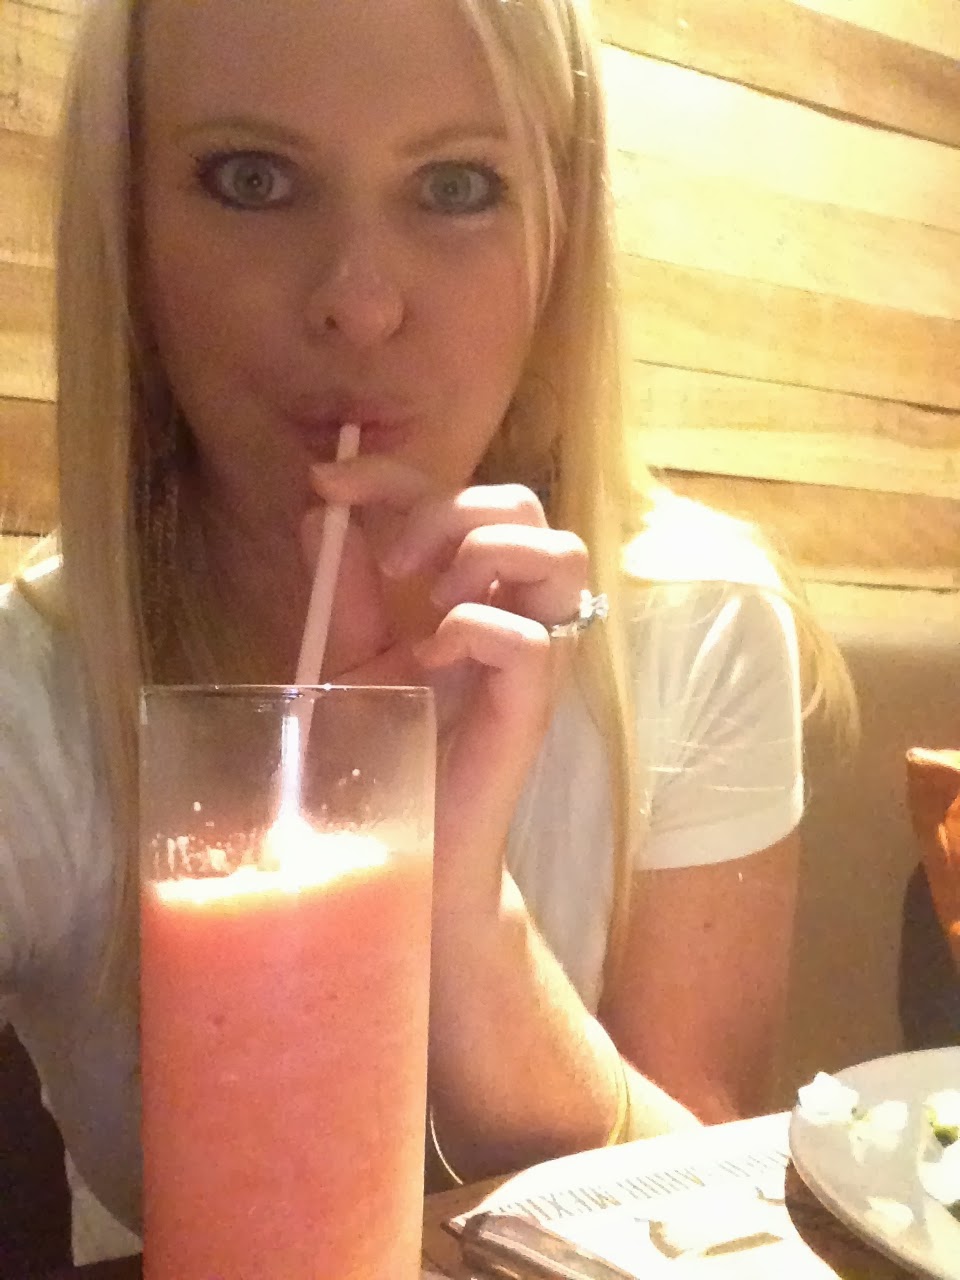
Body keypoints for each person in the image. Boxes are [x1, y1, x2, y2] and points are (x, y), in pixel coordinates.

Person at [0, 0, 849, 1262]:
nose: (359, 303)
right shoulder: (33, 687)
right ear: (128, 231)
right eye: (252, 178)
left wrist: (461, 896)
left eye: (456, 186)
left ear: (559, 240)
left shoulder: (696, 623)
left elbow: (697, 1204)